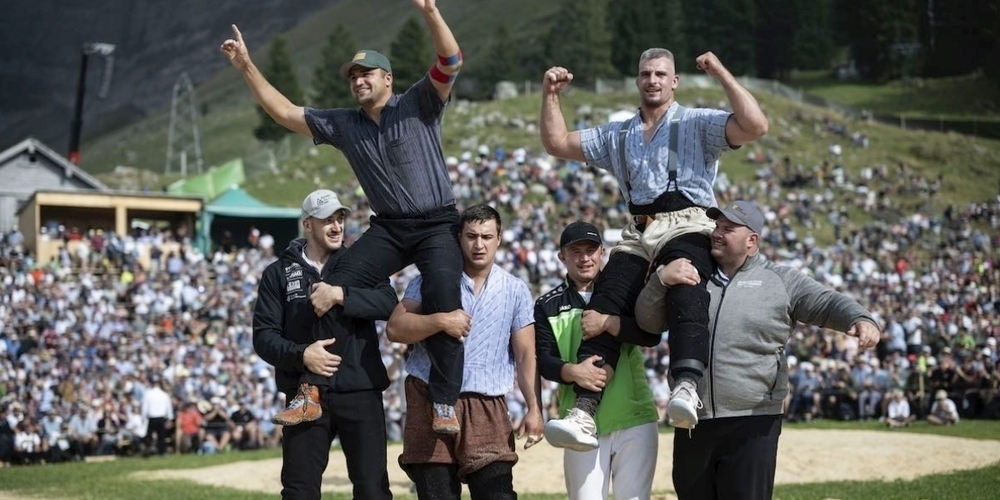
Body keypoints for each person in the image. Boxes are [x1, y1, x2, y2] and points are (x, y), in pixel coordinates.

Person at [223, 0, 467, 434]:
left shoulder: (419, 103)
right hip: (390, 227)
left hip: (437, 223)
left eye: (366, 74)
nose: (358, 81)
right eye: (353, 76)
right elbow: (283, 113)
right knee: (328, 286)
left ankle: (445, 402)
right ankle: (310, 390)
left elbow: (450, 60)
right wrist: (246, 66)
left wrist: (430, 11)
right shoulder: (344, 124)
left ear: (387, 79)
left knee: (445, 295)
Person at [539, 47, 769, 447]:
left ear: (674, 81)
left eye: (661, 74)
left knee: (684, 274)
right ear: (637, 80)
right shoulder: (620, 132)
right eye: (646, 73)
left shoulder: (696, 123)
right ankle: (585, 409)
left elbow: (755, 126)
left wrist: (720, 72)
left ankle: (685, 384)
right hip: (639, 229)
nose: (653, 80)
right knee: (603, 300)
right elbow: (557, 143)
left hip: (689, 220)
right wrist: (551, 95)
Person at [636, 199, 881, 500]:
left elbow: (827, 302)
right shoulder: (690, 275)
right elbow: (647, 322)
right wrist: (661, 280)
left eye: (728, 228)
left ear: (752, 241)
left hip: (753, 420)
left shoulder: (780, 280)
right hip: (693, 419)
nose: (716, 233)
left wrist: (860, 318)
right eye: (716, 226)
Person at [386, 204, 544, 500]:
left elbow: (525, 355)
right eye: (471, 236)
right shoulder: (429, 279)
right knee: (437, 495)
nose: (479, 244)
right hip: (428, 395)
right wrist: (441, 320)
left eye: (486, 236)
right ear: (459, 237)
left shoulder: (515, 289)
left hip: (487, 402)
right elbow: (395, 328)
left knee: (497, 494)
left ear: (499, 238)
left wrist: (535, 408)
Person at [252, 189, 398, 500]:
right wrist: (302, 355)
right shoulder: (278, 273)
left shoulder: (361, 262)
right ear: (308, 225)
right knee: (299, 490)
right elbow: (263, 336)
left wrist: (341, 295)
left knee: (373, 489)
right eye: (326, 220)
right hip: (304, 393)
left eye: (340, 219)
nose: (336, 227)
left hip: (360, 387)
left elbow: (389, 303)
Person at [534, 221, 660, 499]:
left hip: (633, 416)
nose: (584, 258)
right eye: (575, 251)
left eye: (591, 250)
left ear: (602, 252)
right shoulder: (546, 305)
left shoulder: (628, 292)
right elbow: (544, 360)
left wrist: (609, 322)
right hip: (578, 423)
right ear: (561, 256)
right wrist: (573, 372)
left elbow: (651, 336)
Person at [140, 377, 174, 456]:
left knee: (149, 436)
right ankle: (161, 452)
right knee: (161, 436)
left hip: (152, 417)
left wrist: (143, 417)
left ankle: (147, 451)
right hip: (161, 417)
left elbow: (145, 407)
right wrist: (170, 418)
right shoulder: (164, 395)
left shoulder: (148, 394)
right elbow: (168, 407)